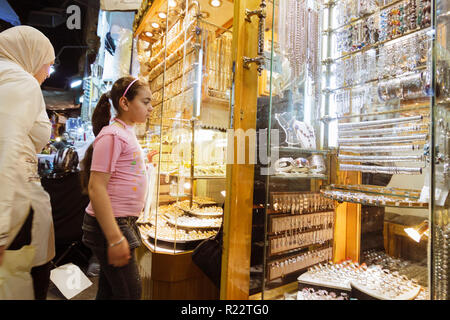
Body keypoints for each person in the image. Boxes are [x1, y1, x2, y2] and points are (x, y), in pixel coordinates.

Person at [80, 76, 152, 300]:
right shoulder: (112, 135)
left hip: (121, 222)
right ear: (125, 103)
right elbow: (96, 187)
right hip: (112, 224)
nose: (151, 107)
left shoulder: (125, 132)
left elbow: (122, 169)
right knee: (130, 293)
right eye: (146, 101)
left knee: (110, 292)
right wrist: (115, 238)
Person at [0, 26, 56, 299]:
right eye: (48, 64)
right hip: (14, 217)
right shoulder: (21, 82)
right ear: (31, 54)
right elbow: (6, 149)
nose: (47, 73)